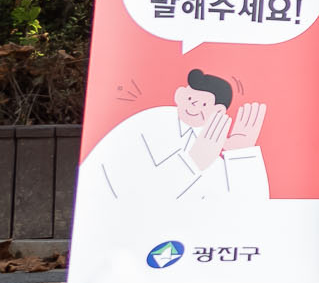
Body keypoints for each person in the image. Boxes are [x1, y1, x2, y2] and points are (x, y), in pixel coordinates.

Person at [82, 68, 269, 207]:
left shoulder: (209, 140)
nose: (194, 107)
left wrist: (240, 155)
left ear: (218, 111)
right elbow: (137, 196)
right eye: (190, 99)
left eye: (203, 103)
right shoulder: (149, 124)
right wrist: (193, 162)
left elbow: (250, 208)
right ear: (179, 95)